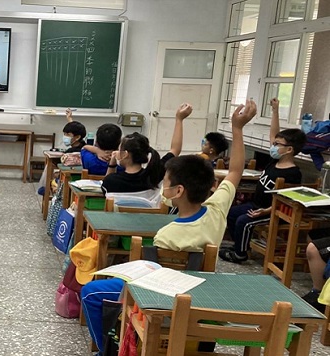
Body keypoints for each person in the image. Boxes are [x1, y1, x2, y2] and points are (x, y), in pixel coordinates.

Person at [80, 99, 257, 351]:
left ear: (178, 191)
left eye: (166, 181)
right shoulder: (217, 210)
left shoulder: (167, 235)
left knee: (91, 292)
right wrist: (237, 129)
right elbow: (235, 171)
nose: (163, 184)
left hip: (164, 298)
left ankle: (106, 349)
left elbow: (155, 282)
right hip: (202, 293)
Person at [220, 98, 306, 263]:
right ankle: (239, 245)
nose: (273, 146)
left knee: (243, 221)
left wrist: (265, 211)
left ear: (289, 150)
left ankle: (240, 254)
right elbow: (274, 133)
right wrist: (275, 111)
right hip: (256, 205)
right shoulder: (275, 161)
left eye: (277, 144)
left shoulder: (293, 173)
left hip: (271, 211)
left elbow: (287, 201)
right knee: (231, 214)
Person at [100, 103, 191, 195]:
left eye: (120, 150)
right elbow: (175, 150)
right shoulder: (154, 175)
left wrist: (112, 165)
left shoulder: (111, 181)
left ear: (125, 154)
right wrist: (179, 119)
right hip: (147, 210)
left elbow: (105, 191)